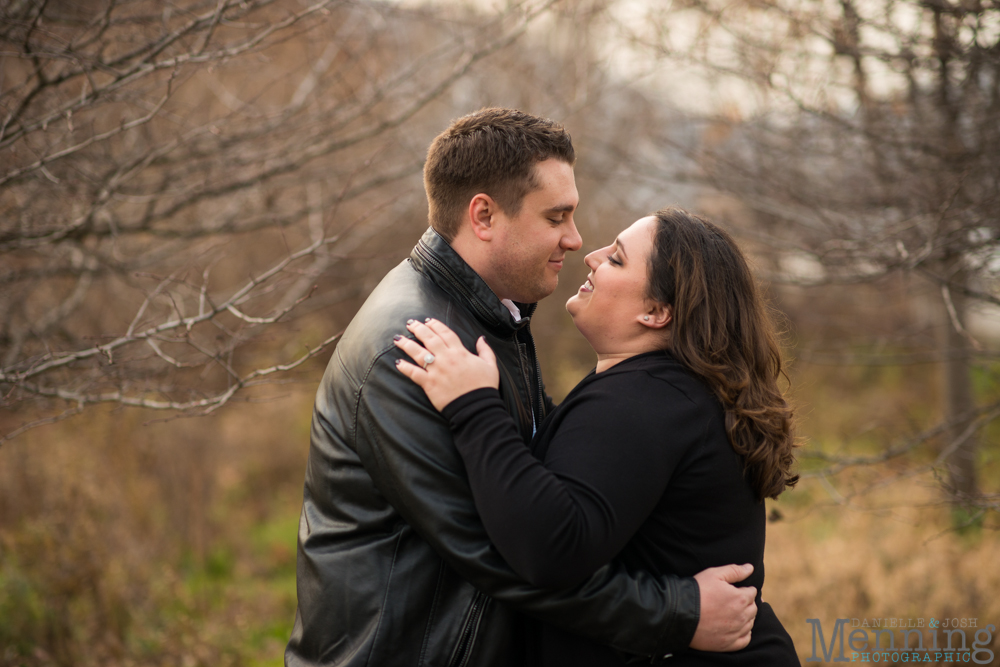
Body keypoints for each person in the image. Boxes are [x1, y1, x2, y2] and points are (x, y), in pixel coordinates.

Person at [285, 109, 758, 667]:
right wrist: (678, 612)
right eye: (556, 217)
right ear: (483, 215)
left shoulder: (490, 318)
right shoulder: (415, 351)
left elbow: (536, 473)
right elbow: (500, 553)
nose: (577, 240)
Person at [394, 208, 800, 665]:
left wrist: (472, 407)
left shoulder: (643, 403)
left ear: (656, 312)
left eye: (618, 259)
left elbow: (550, 549)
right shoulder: (670, 392)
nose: (592, 255)